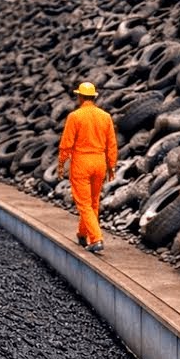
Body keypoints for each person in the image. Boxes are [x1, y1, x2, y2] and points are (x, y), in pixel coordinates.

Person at [58, 82, 117, 254]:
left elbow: (66, 144)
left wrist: (61, 164)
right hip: (99, 162)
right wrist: (111, 166)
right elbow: (111, 144)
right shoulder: (105, 117)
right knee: (93, 203)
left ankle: (97, 239)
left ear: (80, 97)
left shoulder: (75, 116)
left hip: (82, 163)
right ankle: (83, 235)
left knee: (84, 204)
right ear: (94, 97)